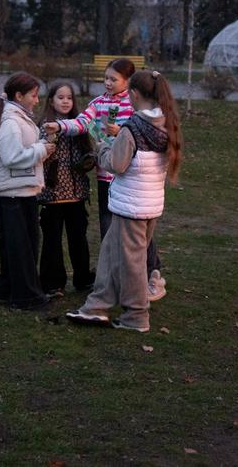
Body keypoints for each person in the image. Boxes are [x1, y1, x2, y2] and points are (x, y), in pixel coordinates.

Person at [66, 70, 182, 333]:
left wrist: (103, 147)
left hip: (132, 206)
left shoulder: (134, 128)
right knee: (110, 253)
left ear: (135, 94)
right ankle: (96, 306)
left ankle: (136, 316)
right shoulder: (166, 123)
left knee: (131, 262)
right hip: (148, 204)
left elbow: (116, 164)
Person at [44, 57, 167, 301]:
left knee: (139, 233)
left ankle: (152, 275)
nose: (108, 83)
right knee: (109, 230)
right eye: (106, 78)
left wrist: (119, 131)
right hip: (106, 178)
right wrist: (59, 126)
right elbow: (81, 123)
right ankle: (117, 280)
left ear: (128, 82)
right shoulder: (98, 103)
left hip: (131, 179)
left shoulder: (135, 105)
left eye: (113, 79)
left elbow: (146, 134)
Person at [0, 72, 54, 309]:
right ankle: (26, 297)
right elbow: (12, 157)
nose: (37, 100)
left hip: (19, 189)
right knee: (22, 246)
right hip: (14, 192)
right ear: (18, 96)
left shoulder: (14, 115)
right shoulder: (11, 121)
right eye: (33, 95)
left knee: (19, 243)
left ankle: (5, 289)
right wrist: (42, 149)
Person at [38, 81, 96, 295]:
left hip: (77, 192)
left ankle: (83, 279)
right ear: (51, 100)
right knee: (52, 239)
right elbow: (41, 150)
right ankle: (52, 283)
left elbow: (89, 150)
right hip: (52, 193)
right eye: (60, 97)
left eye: (69, 98)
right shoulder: (46, 123)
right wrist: (51, 135)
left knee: (78, 238)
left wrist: (88, 161)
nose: (65, 101)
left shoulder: (80, 124)